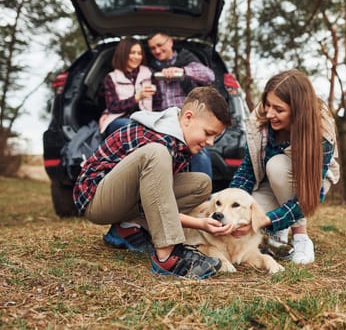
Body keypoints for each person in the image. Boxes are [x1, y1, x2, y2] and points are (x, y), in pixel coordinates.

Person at [73, 87, 234, 279]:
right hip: (97, 199)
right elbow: (159, 203)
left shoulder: (180, 144)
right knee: (156, 152)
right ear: (188, 118)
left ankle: (126, 228)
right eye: (208, 133)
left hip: (131, 200)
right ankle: (166, 257)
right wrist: (199, 223)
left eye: (215, 136)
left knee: (201, 183)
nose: (211, 142)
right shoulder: (158, 138)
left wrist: (201, 222)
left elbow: (158, 199)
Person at [229, 69, 340, 265]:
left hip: (307, 184)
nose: (270, 113)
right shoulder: (259, 118)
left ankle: (300, 237)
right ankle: (280, 228)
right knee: (245, 214)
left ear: (298, 111)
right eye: (268, 105)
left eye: (279, 109)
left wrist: (267, 220)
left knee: (276, 165)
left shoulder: (321, 132)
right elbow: (247, 169)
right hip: (268, 183)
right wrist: (232, 202)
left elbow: (308, 196)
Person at [147, 32, 215, 177]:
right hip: (162, 120)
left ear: (170, 42)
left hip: (187, 118)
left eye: (160, 45)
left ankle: (202, 195)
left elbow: (210, 76)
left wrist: (183, 71)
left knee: (199, 151)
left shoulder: (186, 59)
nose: (157, 51)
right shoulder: (150, 68)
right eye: (153, 48)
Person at [98, 37, 160, 137]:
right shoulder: (111, 78)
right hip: (118, 119)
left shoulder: (149, 73)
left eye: (139, 53)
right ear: (123, 54)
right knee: (132, 126)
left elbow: (158, 102)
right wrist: (137, 98)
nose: (136, 57)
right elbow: (113, 107)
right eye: (132, 53)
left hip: (146, 119)